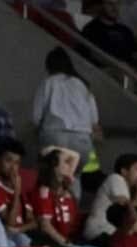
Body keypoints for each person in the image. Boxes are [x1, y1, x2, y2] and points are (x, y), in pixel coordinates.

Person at [33, 47, 101, 192]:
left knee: (52, 177)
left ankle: (51, 209)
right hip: (82, 140)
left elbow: (36, 116)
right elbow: (94, 118)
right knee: (74, 177)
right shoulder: (82, 84)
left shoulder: (48, 82)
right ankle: (72, 210)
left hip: (55, 135)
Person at [30, 147, 85, 247]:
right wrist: (67, 244)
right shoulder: (44, 191)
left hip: (72, 241)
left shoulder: (67, 185)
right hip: (54, 244)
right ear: (54, 166)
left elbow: (76, 156)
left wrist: (54, 148)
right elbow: (46, 226)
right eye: (66, 162)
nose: (70, 165)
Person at [85, 153, 137, 243]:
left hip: (111, 234)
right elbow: (128, 216)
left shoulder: (128, 189)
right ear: (124, 171)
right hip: (99, 232)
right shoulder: (116, 178)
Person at [0, 137, 36, 247]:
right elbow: (10, 223)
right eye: (8, 161)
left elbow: (34, 222)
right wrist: (17, 192)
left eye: (17, 163)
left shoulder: (18, 188)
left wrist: (19, 229)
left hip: (20, 235)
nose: (13, 167)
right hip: (1, 237)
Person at [80, 0, 137, 72]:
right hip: (105, 72)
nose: (115, 8)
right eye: (110, 4)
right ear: (101, 5)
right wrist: (118, 66)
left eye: (118, 4)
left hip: (130, 73)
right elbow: (95, 54)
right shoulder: (91, 28)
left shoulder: (126, 30)